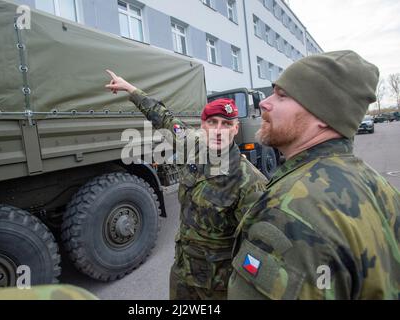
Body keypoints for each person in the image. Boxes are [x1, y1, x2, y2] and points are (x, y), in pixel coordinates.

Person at [228, 50, 400, 300]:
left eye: (282, 96)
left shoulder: (287, 210)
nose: (264, 103)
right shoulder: (380, 187)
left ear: (322, 115)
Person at [105, 70, 267, 300]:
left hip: (217, 288)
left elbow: (258, 249)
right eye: (213, 122)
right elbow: (163, 117)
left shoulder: (249, 181)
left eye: (226, 123)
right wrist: (131, 90)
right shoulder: (192, 147)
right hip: (182, 273)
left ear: (235, 128)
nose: (219, 130)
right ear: (203, 126)